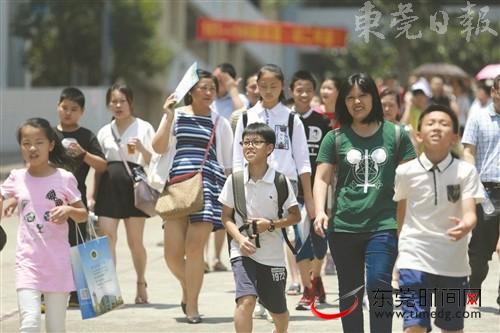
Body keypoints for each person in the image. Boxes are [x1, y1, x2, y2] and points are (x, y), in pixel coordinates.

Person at [313, 73, 416, 333]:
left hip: (384, 224)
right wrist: (320, 212)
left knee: (378, 286)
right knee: (350, 293)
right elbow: (322, 178)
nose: (356, 102)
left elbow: (411, 181)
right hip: (343, 227)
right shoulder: (334, 138)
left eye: (362, 95)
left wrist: (408, 223)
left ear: (374, 97)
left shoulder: (397, 135)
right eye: (350, 98)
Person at [152, 69, 233, 324]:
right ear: (191, 92)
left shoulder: (220, 122)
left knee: (195, 248)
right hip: (177, 186)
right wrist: (167, 115)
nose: (209, 93)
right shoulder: (176, 116)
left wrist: (232, 199)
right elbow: (158, 147)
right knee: (172, 255)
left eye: (212, 88)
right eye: (203, 88)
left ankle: (193, 306)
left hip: (208, 185)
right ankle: (189, 287)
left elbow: (229, 163)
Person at [394, 104, 484, 333]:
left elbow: (470, 212)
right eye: (430, 123)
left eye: (444, 124)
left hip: (453, 262)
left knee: (452, 329)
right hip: (414, 256)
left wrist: (467, 224)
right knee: (414, 326)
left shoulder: (466, 172)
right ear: (418, 134)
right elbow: (401, 214)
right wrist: (398, 253)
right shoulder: (405, 172)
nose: (436, 128)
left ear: (455, 137)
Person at [232, 64, 313, 301]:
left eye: (273, 86)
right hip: (252, 185)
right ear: (256, 86)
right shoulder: (246, 117)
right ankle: (256, 293)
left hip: (284, 186)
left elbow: (303, 160)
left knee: (284, 239)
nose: (268, 91)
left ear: (283, 88)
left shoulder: (291, 119)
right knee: (255, 236)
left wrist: (309, 197)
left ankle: (274, 295)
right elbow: (237, 158)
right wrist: (238, 190)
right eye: (263, 86)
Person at [0, 118, 88, 332]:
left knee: (55, 328)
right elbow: (6, 196)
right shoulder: (16, 177)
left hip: (58, 263)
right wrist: (9, 201)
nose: (32, 148)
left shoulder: (64, 178)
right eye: (26, 142)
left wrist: (68, 210)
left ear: (51, 144)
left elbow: (83, 214)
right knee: (29, 323)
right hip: (27, 263)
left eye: (39, 142)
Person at [219, 122, 301, 333]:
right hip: (242, 251)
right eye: (246, 142)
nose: (249, 147)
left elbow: (295, 216)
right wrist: (239, 239)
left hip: (272, 256)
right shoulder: (234, 181)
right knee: (246, 301)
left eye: (256, 142)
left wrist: (271, 225)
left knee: (278, 312)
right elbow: (226, 217)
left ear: (270, 148)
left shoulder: (280, 181)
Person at [94, 84, 155, 304]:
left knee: (134, 241)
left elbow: (155, 161)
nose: (118, 105)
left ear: (131, 103)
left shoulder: (144, 128)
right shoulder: (103, 131)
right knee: (107, 239)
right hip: (108, 189)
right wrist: (93, 195)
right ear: (108, 104)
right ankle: (109, 291)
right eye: (114, 101)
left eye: (122, 101)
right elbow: (100, 167)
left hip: (135, 188)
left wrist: (141, 149)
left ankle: (141, 283)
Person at [54, 87, 107, 307]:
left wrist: (83, 154)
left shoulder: (86, 136)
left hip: (77, 200)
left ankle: (77, 293)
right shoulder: (49, 134)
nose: (68, 112)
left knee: (77, 246)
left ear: (82, 111)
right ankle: (49, 291)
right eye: (64, 107)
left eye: (73, 109)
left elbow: (103, 166)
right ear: (58, 106)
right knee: (50, 245)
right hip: (48, 200)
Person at [288, 70, 331, 310]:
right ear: (291, 91)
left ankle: (316, 278)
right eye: (299, 90)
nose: (304, 94)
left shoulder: (323, 122)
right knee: (300, 240)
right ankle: (308, 289)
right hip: (293, 192)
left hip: (320, 191)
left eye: (308, 90)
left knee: (320, 242)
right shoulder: (285, 120)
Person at [462, 74, 500, 310]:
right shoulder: (478, 117)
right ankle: (472, 291)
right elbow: (468, 152)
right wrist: (471, 183)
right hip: (486, 192)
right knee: (479, 255)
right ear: (495, 91)